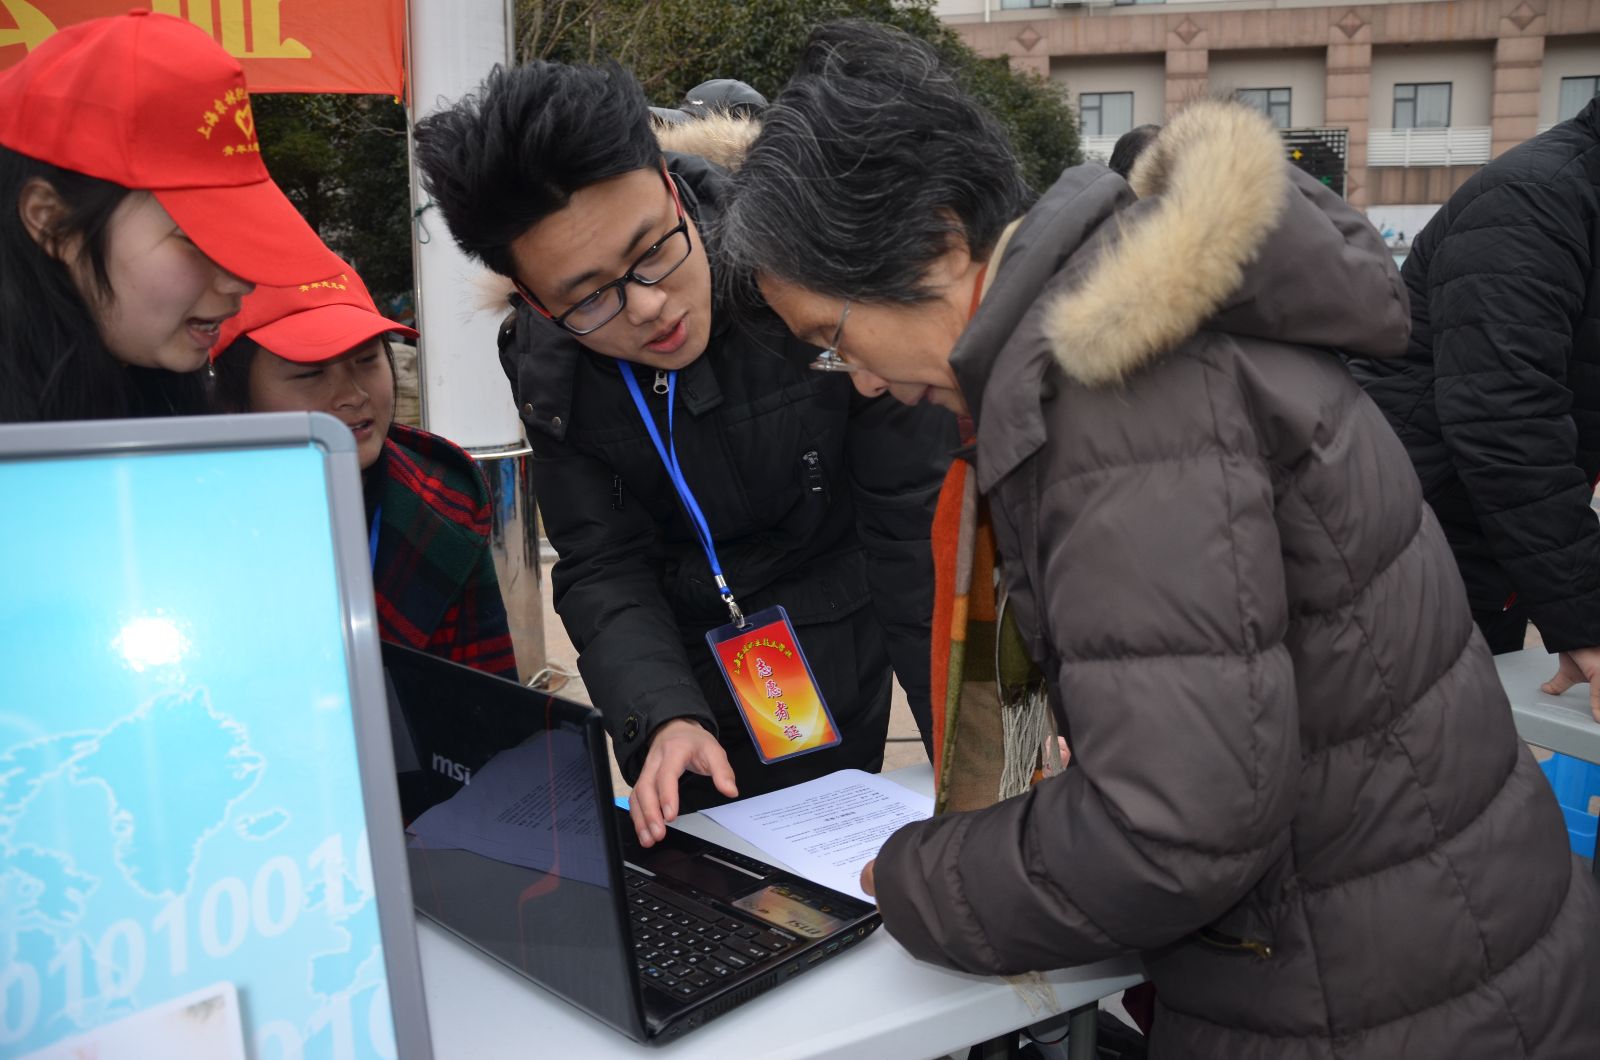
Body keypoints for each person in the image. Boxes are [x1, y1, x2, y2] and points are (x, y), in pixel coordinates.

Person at [719, 21, 1600, 1059]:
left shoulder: (1114, 393)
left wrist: (923, 876)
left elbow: (1174, 828)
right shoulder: (1154, 325)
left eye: (834, 337)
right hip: (1439, 931)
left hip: (1362, 995)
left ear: (942, 243)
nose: (862, 382)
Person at [412, 60, 951, 845]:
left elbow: (915, 530)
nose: (647, 306)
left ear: (670, 185)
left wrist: (977, 751)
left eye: (653, 250)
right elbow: (602, 560)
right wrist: (659, 715)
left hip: (838, 630)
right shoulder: (551, 369)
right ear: (533, 301)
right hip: (687, 655)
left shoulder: (803, 271)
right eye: (588, 297)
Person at [1348, 102, 1600, 717]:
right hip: (1407, 557)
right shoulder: (1533, 199)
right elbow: (1505, 417)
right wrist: (1583, 615)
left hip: (1491, 559)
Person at [0, 11, 342, 423]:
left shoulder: (149, 393)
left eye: (238, 237)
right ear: (52, 222)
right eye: (195, 238)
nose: (239, 282)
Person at [208, 259, 518, 680]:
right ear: (233, 398)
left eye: (368, 359)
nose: (353, 395)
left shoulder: (446, 504)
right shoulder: (191, 528)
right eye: (310, 373)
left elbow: (487, 699)